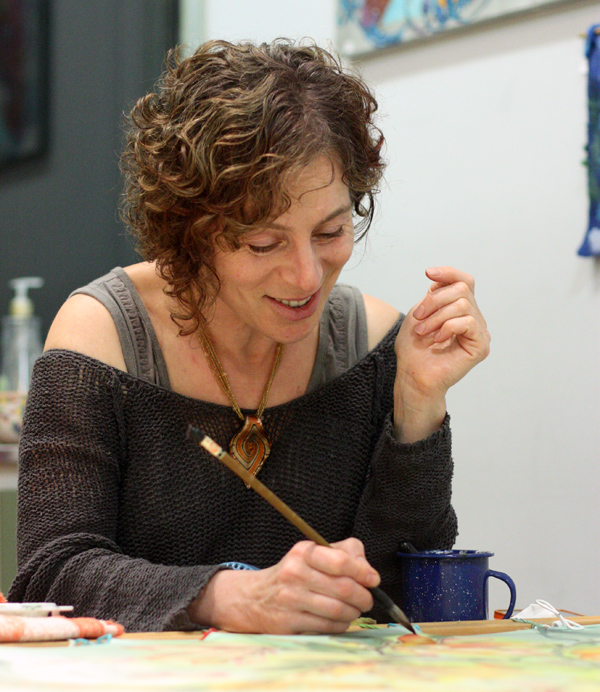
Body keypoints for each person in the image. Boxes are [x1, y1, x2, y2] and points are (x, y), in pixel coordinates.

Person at [9, 39, 490, 634]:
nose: (306, 277)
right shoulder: (103, 336)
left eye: (330, 232)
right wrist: (228, 596)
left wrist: (417, 405)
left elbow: (399, 595)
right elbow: (51, 573)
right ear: (191, 231)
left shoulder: (371, 345)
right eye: (263, 243)